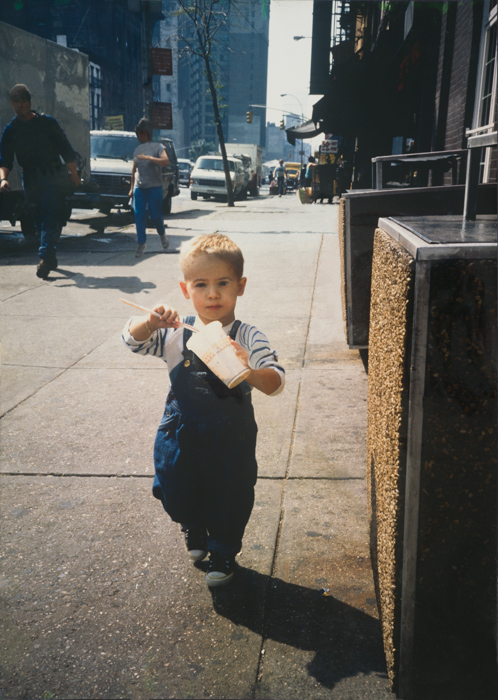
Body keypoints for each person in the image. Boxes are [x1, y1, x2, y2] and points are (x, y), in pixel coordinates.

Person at [122, 233, 285, 587]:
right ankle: (192, 524)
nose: (213, 293)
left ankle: (223, 550)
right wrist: (149, 322)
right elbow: (132, 341)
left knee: (230, 494)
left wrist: (248, 370)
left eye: (223, 283)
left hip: (232, 435)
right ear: (185, 290)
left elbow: (276, 381)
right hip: (181, 428)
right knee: (176, 486)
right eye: (201, 284)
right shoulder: (173, 333)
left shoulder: (248, 335)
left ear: (240, 286)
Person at [0, 84, 81, 279]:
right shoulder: (11, 130)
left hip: (52, 176)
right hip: (30, 179)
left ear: (28, 103)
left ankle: (44, 258)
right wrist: (3, 179)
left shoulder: (47, 123)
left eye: (21, 102)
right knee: (37, 221)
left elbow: (66, 149)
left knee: (48, 217)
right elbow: (5, 159)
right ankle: (50, 257)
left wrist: (74, 174)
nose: (18, 106)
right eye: (15, 103)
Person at [128, 118, 170, 258]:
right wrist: (131, 187)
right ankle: (141, 243)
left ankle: (162, 234)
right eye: (139, 134)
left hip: (154, 187)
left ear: (149, 134)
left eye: (144, 133)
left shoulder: (158, 147)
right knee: (138, 214)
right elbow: (134, 170)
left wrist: (150, 158)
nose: (141, 136)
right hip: (139, 187)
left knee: (155, 215)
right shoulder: (137, 149)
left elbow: (166, 161)